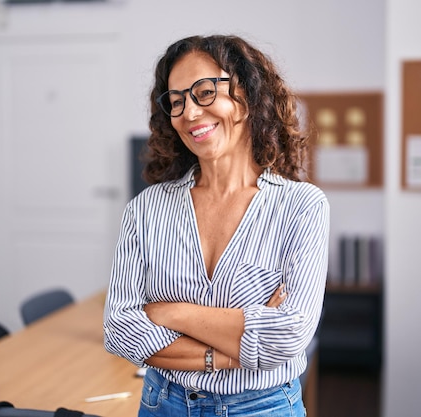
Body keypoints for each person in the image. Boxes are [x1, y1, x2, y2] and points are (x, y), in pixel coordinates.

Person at [103, 34, 330, 417]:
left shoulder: (301, 207)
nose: (189, 113)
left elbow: (288, 335)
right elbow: (121, 330)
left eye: (204, 92)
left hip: (263, 407)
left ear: (247, 96)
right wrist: (228, 356)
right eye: (177, 101)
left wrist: (170, 312)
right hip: (163, 404)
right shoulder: (145, 210)